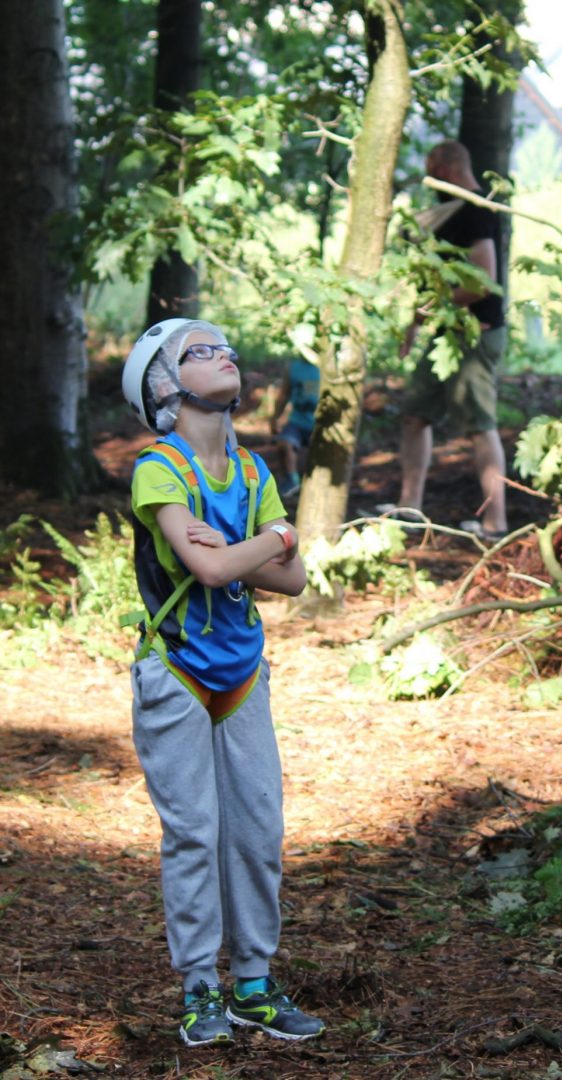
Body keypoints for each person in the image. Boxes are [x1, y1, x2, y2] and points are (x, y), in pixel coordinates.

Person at [121, 318, 326, 1047]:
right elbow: (211, 570)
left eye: (224, 347)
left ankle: (254, 987)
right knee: (194, 833)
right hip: (173, 670)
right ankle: (199, 988)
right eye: (199, 352)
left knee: (258, 829)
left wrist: (254, 546)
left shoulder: (253, 472)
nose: (224, 356)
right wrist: (270, 541)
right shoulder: (158, 468)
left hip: (243, 669)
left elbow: (293, 579)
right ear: (163, 386)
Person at [383, 139, 509, 540]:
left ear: (448, 167)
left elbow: (483, 282)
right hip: (446, 336)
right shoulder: (449, 211)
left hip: (476, 337)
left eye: (433, 170)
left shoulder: (475, 211)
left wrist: (426, 312)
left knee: (479, 425)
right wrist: (415, 324)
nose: (429, 179)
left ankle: (495, 523)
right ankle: (411, 508)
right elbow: (437, 277)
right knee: (415, 414)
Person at [265, 355, 320, 497]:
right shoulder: (293, 368)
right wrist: (274, 418)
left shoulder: (328, 366)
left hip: (320, 423)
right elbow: (284, 395)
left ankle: (314, 483)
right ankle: (292, 479)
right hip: (297, 421)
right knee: (285, 443)